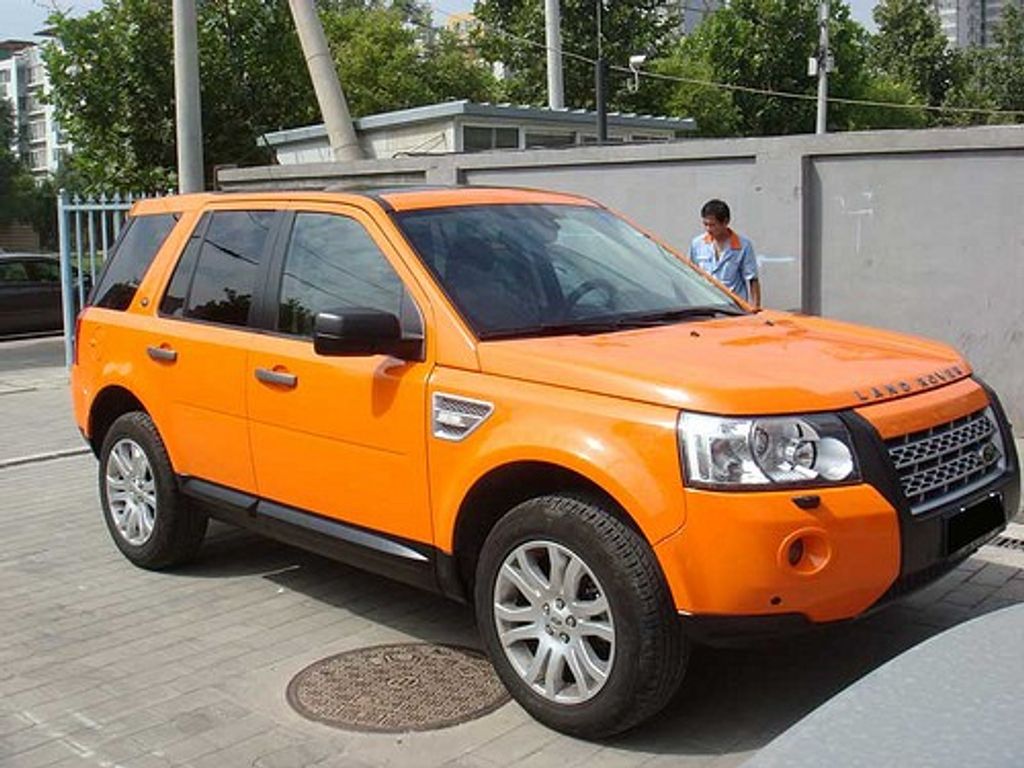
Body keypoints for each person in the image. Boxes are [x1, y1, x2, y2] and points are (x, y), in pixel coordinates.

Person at [688, 199, 761, 308]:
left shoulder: (743, 245)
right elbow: (690, 274)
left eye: (712, 225)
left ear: (725, 222)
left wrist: (755, 307)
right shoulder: (697, 244)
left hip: (734, 307)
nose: (708, 229)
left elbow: (752, 279)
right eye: (705, 224)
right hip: (705, 306)